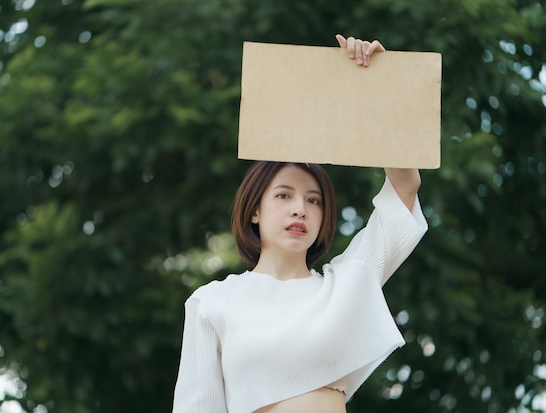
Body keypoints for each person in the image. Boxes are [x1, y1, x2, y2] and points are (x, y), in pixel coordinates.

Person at [171, 34, 429, 413]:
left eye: (313, 200)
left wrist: (378, 84)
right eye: (283, 195)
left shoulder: (347, 285)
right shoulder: (212, 303)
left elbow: (404, 190)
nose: (300, 209)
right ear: (254, 210)